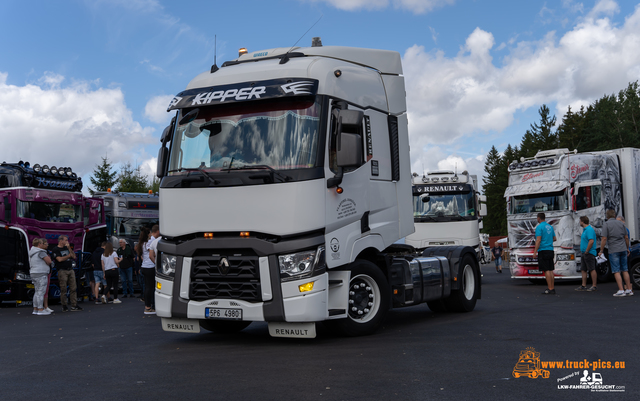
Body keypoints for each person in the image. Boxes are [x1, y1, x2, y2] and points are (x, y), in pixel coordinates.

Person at [600, 209, 633, 297]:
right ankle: (629, 289)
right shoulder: (621, 224)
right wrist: (627, 248)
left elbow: (604, 239)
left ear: (607, 217)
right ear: (614, 216)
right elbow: (626, 237)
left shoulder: (606, 224)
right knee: (625, 270)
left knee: (616, 271)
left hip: (613, 249)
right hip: (623, 248)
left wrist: (601, 250)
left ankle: (621, 290)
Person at [51, 235, 83, 311]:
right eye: (65, 240)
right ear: (61, 241)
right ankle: (64, 305)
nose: (67, 242)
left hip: (70, 269)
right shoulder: (56, 249)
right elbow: (59, 259)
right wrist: (68, 256)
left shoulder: (67, 248)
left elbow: (74, 256)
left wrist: (69, 248)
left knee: (73, 288)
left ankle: (74, 304)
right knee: (63, 288)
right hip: (62, 270)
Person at [534, 212, 557, 294]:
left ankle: (549, 288)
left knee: (546, 270)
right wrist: (548, 240)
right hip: (550, 249)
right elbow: (554, 238)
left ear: (538, 218)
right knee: (550, 269)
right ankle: (552, 287)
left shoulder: (539, 227)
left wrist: (535, 251)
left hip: (543, 250)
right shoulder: (550, 227)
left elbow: (538, 240)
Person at [29, 238, 52, 315]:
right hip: (41, 273)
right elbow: (49, 261)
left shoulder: (32, 252)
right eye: (44, 243)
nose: (46, 245)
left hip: (33, 272)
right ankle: (41, 309)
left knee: (36, 291)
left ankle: (35, 309)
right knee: (41, 292)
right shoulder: (41, 252)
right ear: (39, 244)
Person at [136, 227, 156, 315]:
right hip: (150, 266)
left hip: (144, 266)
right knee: (151, 288)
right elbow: (152, 254)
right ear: (148, 234)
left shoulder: (142, 243)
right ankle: (149, 307)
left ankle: (147, 306)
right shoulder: (148, 243)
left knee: (148, 287)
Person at [576, 216, 597, 291]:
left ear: (582, 221)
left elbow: (591, 241)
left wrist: (587, 250)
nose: (579, 222)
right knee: (583, 269)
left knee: (592, 269)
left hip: (589, 252)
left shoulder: (589, 230)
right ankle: (583, 285)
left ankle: (594, 285)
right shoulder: (585, 230)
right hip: (584, 253)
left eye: (580, 221)